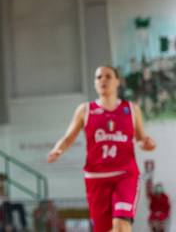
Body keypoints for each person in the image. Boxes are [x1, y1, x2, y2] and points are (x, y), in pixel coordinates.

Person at [48, 66, 157, 232]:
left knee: (121, 224)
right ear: (94, 83)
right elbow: (68, 138)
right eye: (98, 77)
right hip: (96, 178)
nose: (103, 80)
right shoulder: (85, 110)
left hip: (125, 175)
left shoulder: (131, 109)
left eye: (108, 76)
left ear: (117, 82)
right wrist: (58, 150)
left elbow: (142, 139)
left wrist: (148, 144)